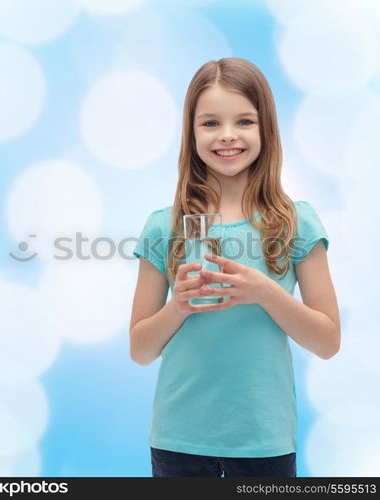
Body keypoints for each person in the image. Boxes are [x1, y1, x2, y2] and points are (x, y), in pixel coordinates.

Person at [129, 57, 340, 478]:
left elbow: (328, 341)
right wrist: (179, 307)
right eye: (210, 123)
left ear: (267, 130)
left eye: (244, 121)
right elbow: (140, 350)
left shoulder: (295, 223)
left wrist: (264, 291)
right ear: (191, 133)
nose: (227, 136)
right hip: (178, 441)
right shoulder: (164, 227)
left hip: (264, 440)